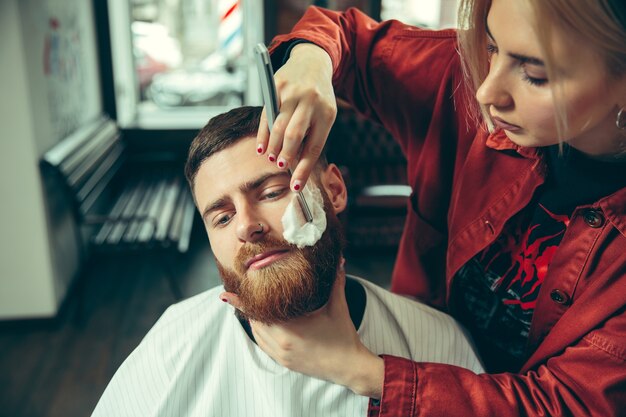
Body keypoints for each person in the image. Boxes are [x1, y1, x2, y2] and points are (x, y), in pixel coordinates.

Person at [228, 0, 626, 415]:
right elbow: (344, 36)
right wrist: (311, 58)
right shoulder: (462, 77)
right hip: (411, 338)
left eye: (535, 74)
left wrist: (361, 372)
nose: (486, 91)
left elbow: (567, 405)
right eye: (491, 47)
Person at [90, 106, 484, 417]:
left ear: (333, 190)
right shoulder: (171, 347)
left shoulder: (438, 344)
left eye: (273, 192)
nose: (247, 226)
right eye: (222, 217)